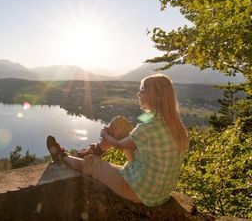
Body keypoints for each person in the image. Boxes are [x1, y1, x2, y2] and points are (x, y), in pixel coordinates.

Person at [46, 74, 189, 206]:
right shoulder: (174, 123)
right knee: (119, 123)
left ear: (153, 95)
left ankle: (61, 156)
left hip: (138, 191)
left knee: (92, 164)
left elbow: (121, 145)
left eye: (142, 90)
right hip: (159, 191)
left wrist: (105, 135)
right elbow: (135, 131)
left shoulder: (149, 126)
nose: (138, 94)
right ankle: (95, 150)